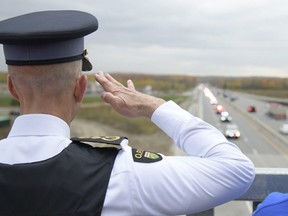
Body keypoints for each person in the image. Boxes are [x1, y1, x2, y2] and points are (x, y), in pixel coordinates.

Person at [0, 10, 255, 216]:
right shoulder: (121, 174)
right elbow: (236, 171)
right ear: (80, 88)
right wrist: (153, 106)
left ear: (12, 88)